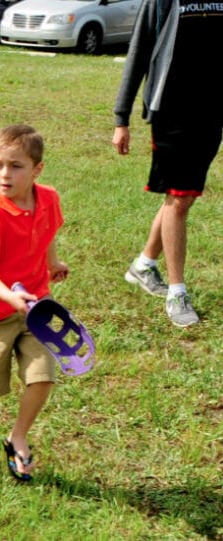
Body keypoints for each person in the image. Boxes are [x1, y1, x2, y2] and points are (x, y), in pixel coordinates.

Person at [0, 124, 68, 496]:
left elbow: (48, 232)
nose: (5, 174)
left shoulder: (49, 198)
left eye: (16, 166)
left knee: (43, 378)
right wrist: (10, 297)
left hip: (35, 308)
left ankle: (17, 437)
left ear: (37, 170)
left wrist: (52, 263)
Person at [112, 0, 222, 328]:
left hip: (212, 112)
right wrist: (122, 118)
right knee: (179, 197)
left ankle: (144, 266)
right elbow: (138, 53)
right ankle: (177, 291)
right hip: (172, 110)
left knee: (181, 196)